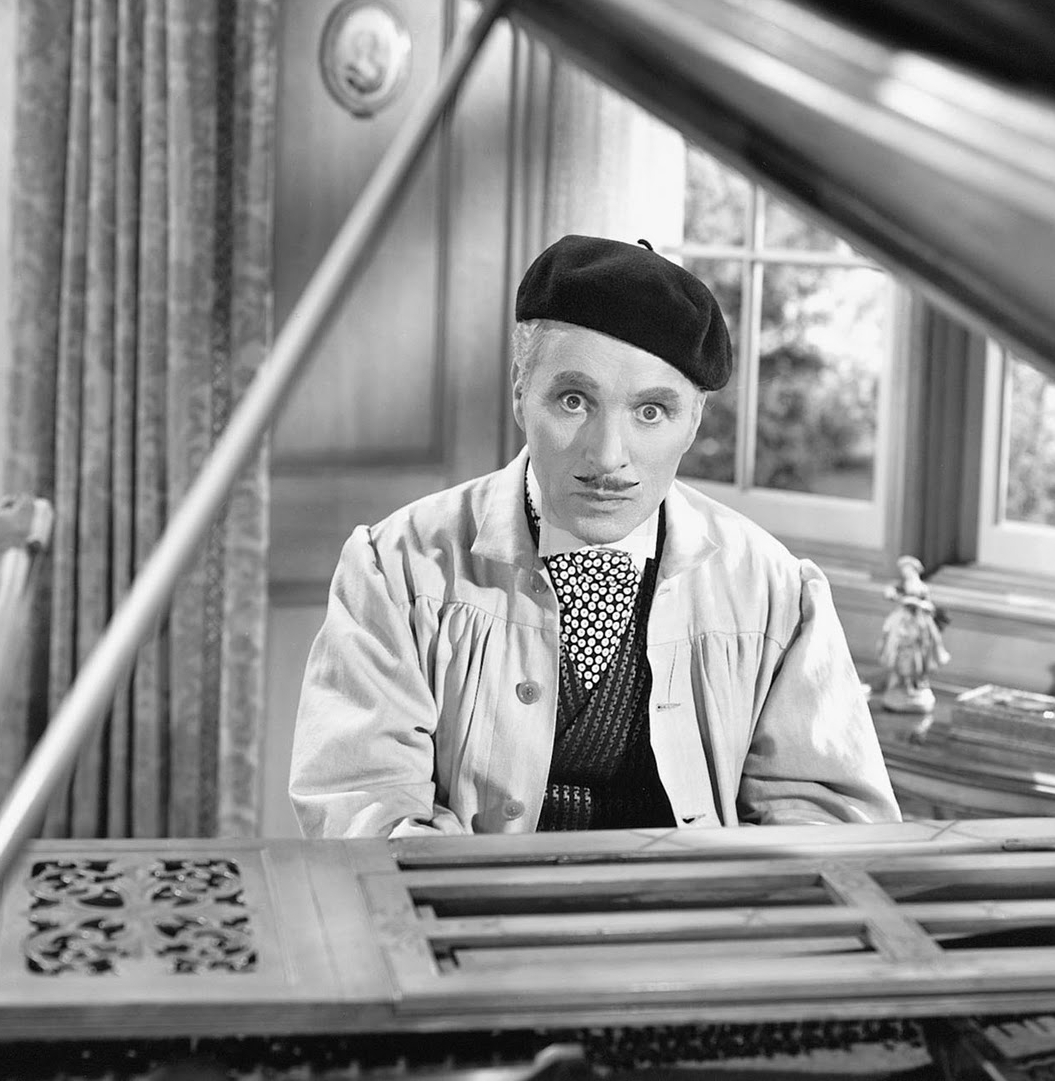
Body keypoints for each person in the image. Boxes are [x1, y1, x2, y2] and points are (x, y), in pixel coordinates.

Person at [289, 234, 899, 838]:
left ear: (694, 421)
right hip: (467, 899)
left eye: (650, 412)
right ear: (521, 392)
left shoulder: (776, 591)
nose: (608, 458)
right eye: (574, 401)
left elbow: (828, 823)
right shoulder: (396, 567)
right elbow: (366, 807)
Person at [876, 555, 951, 713]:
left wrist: (919, 604)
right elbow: (890, 592)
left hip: (918, 623)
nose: (906, 573)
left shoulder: (922, 588)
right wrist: (894, 595)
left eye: (908, 569)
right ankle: (902, 683)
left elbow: (929, 606)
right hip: (903, 624)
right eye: (904, 570)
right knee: (900, 651)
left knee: (918, 654)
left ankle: (916, 683)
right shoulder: (902, 586)